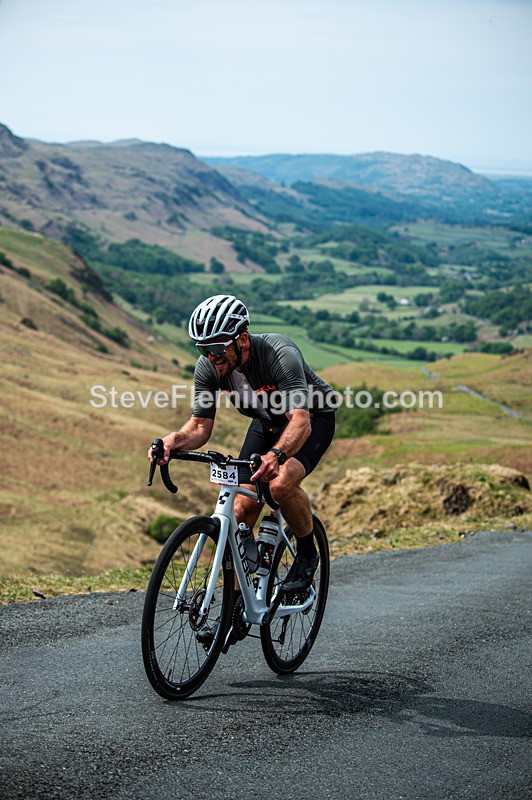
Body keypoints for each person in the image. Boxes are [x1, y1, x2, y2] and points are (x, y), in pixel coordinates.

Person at [151, 294, 336, 645]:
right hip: (266, 424)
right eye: (203, 349)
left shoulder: (280, 354)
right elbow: (200, 427)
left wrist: (277, 455)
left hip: (311, 419)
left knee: (280, 485)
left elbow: (300, 420)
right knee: (239, 510)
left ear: (242, 338)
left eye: (218, 349)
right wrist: (173, 440)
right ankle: (235, 609)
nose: (211, 358)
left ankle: (307, 553)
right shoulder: (209, 367)